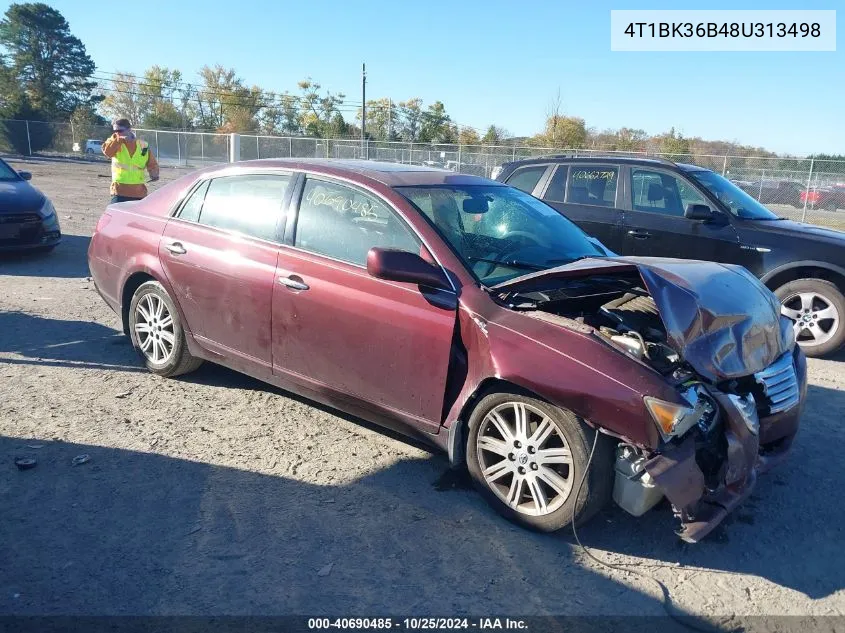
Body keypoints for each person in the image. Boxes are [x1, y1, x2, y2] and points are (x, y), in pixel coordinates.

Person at [101, 118, 159, 203]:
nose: (117, 133)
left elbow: (151, 163)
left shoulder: (143, 146)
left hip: (139, 192)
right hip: (119, 191)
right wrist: (118, 139)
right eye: (115, 131)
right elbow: (108, 152)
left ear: (129, 129)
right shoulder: (114, 142)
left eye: (120, 130)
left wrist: (154, 173)